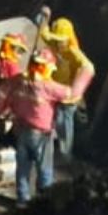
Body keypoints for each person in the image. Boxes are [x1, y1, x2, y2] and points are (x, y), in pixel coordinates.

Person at [0, 50, 74, 205]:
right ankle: (44, 202)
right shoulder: (47, 87)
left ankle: (22, 200)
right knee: (44, 169)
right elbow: (71, 94)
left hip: (21, 131)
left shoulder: (17, 81)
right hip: (41, 135)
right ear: (45, 67)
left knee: (22, 168)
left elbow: (0, 97)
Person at [42, 17, 97, 159]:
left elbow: (89, 68)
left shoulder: (74, 52)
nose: (59, 43)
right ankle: (50, 148)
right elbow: (44, 33)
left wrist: (75, 90)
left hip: (68, 96)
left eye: (62, 40)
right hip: (54, 90)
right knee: (50, 118)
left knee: (63, 121)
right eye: (57, 39)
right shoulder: (53, 43)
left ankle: (65, 153)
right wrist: (44, 19)